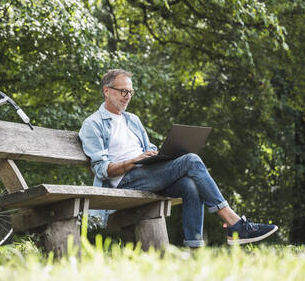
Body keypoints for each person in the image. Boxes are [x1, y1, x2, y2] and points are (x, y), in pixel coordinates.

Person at [79, 69, 278, 247]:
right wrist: (133, 161)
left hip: (147, 173)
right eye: (123, 91)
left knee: (190, 185)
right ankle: (234, 223)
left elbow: (148, 148)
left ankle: (195, 248)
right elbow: (101, 169)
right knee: (191, 160)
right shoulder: (93, 124)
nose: (127, 96)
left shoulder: (133, 120)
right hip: (124, 181)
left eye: (130, 92)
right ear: (107, 90)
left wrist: (157, 155)